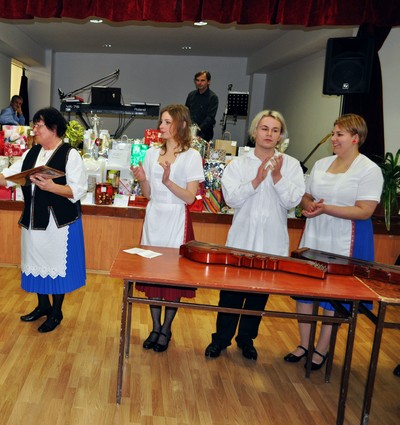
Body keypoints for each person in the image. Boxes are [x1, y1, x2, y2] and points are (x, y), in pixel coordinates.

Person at [204, 110, 305, 360]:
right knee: (231, 294)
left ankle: (246, 340)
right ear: (254, 132)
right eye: (264, 128)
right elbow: (231, 199)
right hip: (241, 239)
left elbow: (293, 201)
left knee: (258, 297)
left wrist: (277, 177)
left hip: (271, 242)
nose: (269, 134)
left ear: (280, 136)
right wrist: (257, 180)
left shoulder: (291, 165)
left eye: (275, 130)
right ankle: (220, 339)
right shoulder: (238, 164)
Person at [285, 114, 383, 370]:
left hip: (348, 237)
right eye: (333, 133)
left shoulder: (369, 169)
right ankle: (304, 344)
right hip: (316, 233)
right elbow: (306, 195)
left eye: (340, 134)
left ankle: (322, 348)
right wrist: (308, 205)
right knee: (305, 291)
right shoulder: (321, 164)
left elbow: (365, 210)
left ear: (356, 138)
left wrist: (326, 208)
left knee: (335, 296)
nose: (334, 139)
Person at [0, 107, 87, 333]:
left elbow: (78, 190)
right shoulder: (31, 153)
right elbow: (11, 176)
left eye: (39, 125)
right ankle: (43, 306)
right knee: (37, 263)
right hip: (34, 219)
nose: (35, 129)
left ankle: (56, 312)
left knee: (55, 265)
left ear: (53, 128)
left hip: (59, 223)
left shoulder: (70, 154)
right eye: (34, 125)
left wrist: (52, 187)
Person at [130, 104, 204, 352]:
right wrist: (142, 179)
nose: (160, 126)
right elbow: (149, 194)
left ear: (181, 125)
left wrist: (168, 181)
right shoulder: (151, 153)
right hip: (154, 217)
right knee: (152, 273)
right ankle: (154, 326)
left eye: (166, 122)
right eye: (161, 121)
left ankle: (166, 329)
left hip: (176, 218)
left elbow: (190, 198)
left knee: (173, 277)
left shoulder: (191, 156)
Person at [185, 71, 218, 142]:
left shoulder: (213, 97)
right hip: (190, 132)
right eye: (197, 80)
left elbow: (210, 118)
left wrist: (198, 129)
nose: (199, 83)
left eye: (202, 80)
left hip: (205, 133)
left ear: (208, 82)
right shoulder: (191, 95)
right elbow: (186, 112)